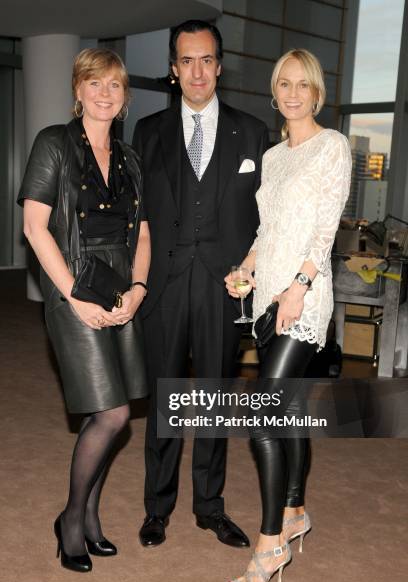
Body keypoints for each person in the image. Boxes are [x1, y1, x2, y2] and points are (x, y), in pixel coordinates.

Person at [133, 20, 269, 548]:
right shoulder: (147, 131)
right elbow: (138, 216)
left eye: (206, 60)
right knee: (166, 401)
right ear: (173, 70)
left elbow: (267, 217)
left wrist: (257, 273)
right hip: (164, 284)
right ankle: (157, 508)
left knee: (214, 396)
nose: (197, 70)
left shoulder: (252, 131)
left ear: (219, 66)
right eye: (186, 60)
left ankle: (210, 506)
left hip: (224, 285)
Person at [18, 48, 150, 572]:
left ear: (124, 98)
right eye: (94, 84)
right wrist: (73, 295)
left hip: (121, 285)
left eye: (114, 86)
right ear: (78, 90)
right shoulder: (52, 143)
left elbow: (142, 232)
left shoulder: (131, 157)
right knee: (112, 412)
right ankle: (71, 519)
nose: (104, 93)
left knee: (113, 414)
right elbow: (34, 227)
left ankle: (91, 517)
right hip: (72, 281)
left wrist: (138, 289)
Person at [225, 48, 351, 582]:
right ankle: (296, 508)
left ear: (316, 91)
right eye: (284, 84)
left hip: (304, 297)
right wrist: (246, 270)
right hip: (267, 296)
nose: (293, 93)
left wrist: (297, 289)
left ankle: (271, 542)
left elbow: (325, 231)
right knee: (287, 409)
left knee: (262, 415)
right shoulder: (273, 157)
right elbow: (266, 229)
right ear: (274, 92)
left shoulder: (333, 147)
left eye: (303, 84)